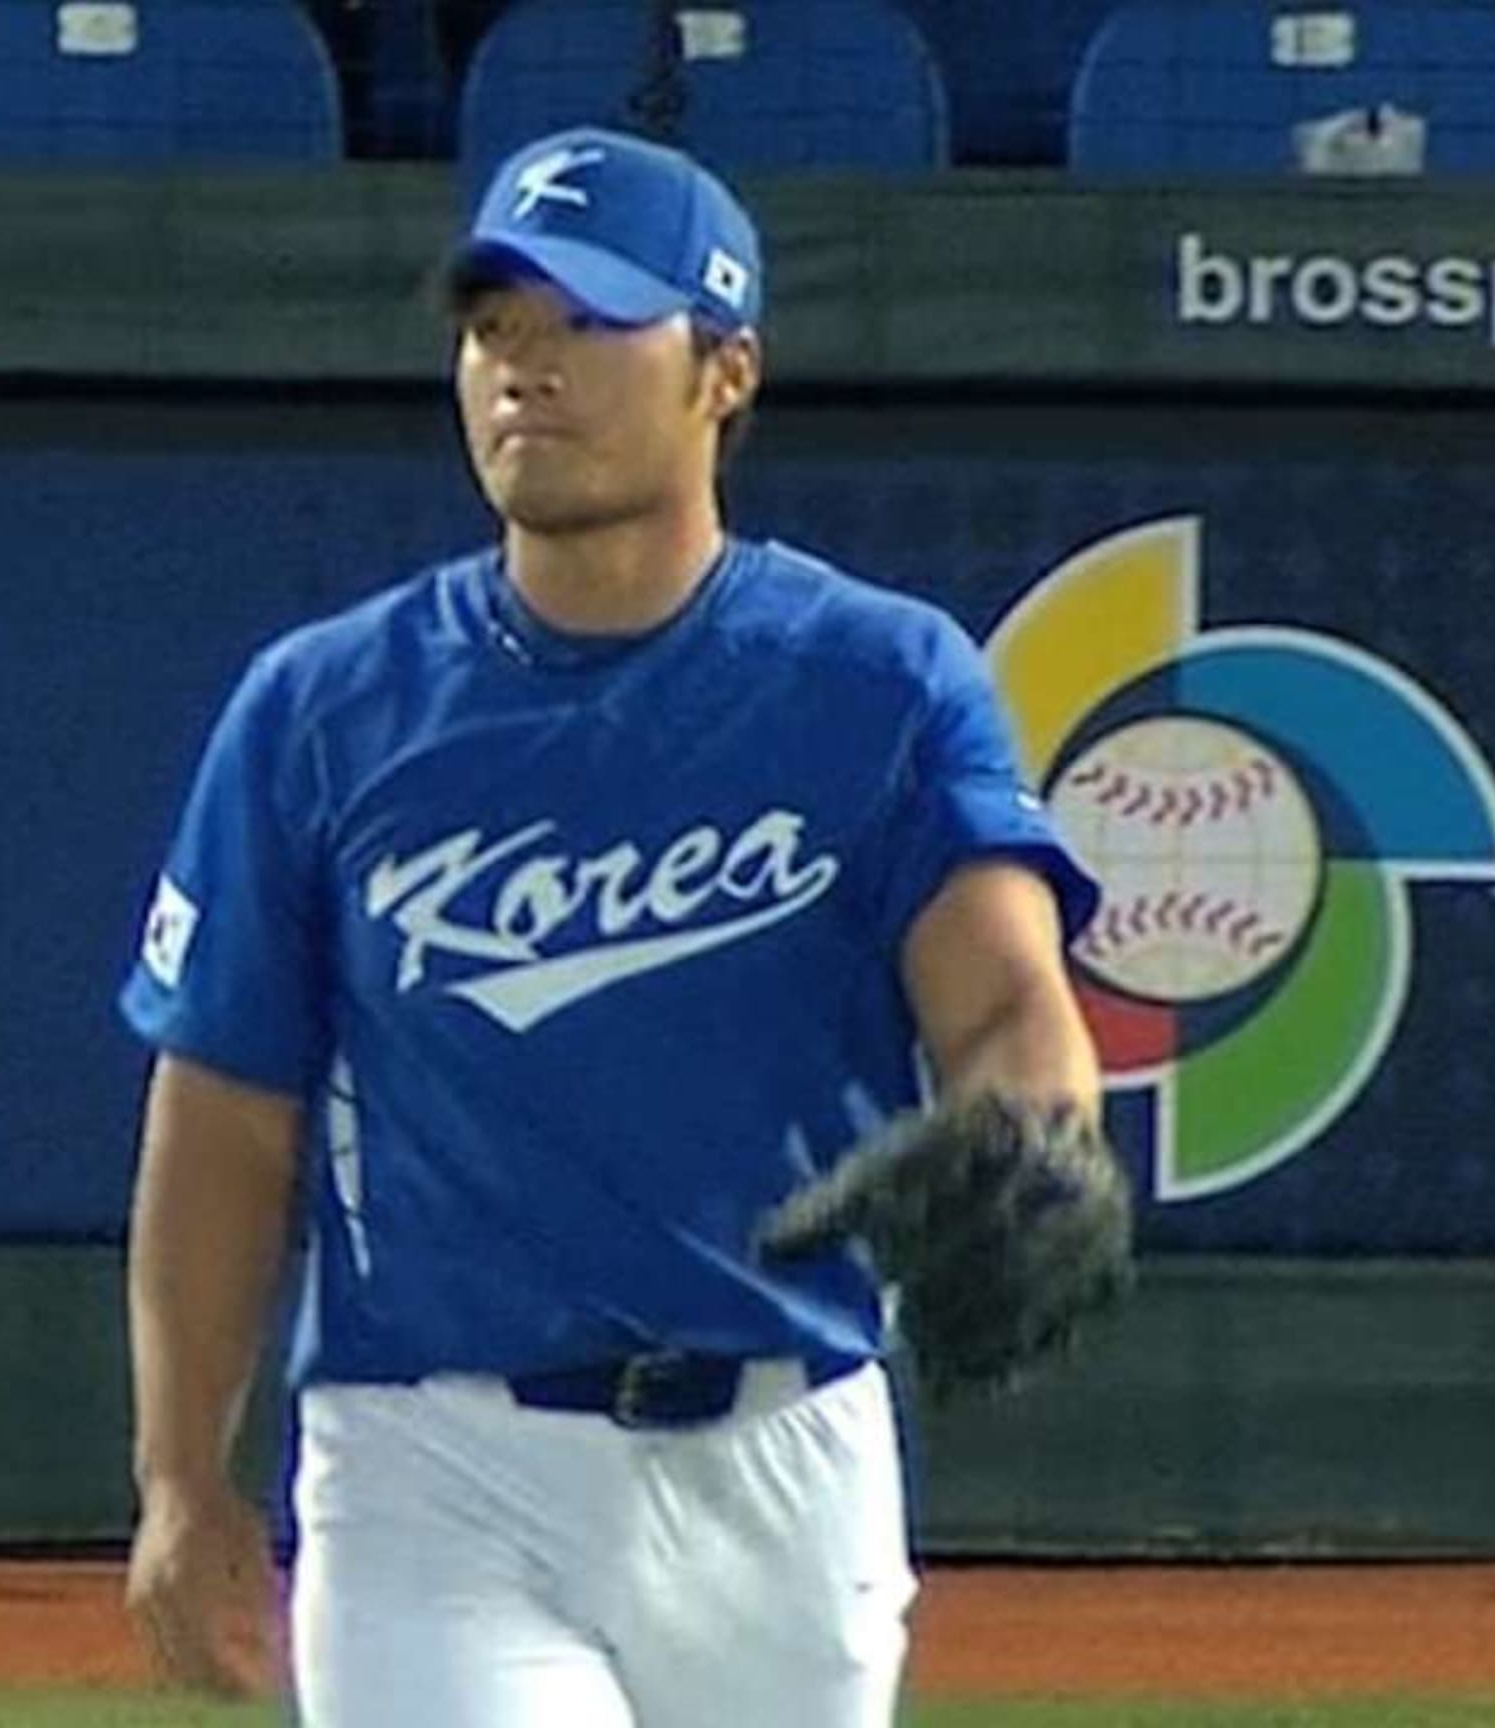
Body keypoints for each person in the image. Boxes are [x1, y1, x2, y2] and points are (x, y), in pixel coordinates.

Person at [116, 125, 1105, 1726]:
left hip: (789, 1455)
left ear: (725, 371)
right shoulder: (323, 709)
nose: (527, 367)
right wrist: (180, 1474)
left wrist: (1038, 1122)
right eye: (496, 326)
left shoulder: (878, 678)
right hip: (433, 1460)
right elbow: (225, 1110)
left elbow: (1001, 1000)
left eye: (587, 322)